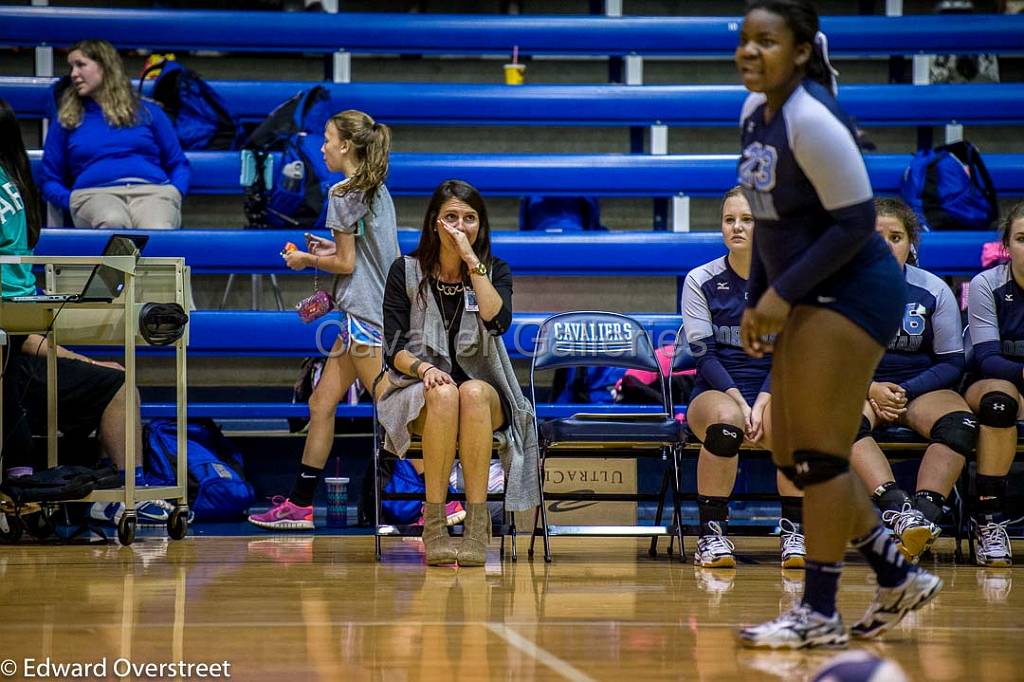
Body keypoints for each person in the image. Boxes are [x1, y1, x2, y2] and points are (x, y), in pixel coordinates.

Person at [733, 0, 942, 649]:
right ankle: (893, 570)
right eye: (744, 40)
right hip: (803, 293)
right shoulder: (753, 115)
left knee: (820, 454)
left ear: (799, 52)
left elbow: (854, 227)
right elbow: (768, 220)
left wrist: (780, 297)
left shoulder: (814, 122)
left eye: (766, 41)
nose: (749, 51)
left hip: (855, 292)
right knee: (793, 453)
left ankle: (819, 610)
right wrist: (759, 296)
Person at [249, 110, 398, 531]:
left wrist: (307, 259)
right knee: (321, 402)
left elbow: (348, 262)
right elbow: (366, 256)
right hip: (373, 312)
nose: (322, 147)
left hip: (364, 318)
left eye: (328, 139)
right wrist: (329, 248)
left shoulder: (341, 192)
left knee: (394, 412)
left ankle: (439, 502)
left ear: (346, 146)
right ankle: (299, 504)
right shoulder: (376, 189)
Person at [377, 179, 539, 567]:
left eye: (469, 219)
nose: (460, 226)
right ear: (435, 221)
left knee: (472, 393)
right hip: (420, 388)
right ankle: (434, 525)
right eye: (451, 217)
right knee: (446, 393)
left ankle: (477, 525)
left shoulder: (493, 270)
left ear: (480, 226)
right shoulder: (405, 270)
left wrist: (471, 261)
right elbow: (393, 349)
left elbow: (496, 321)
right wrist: (425, 368)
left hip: (485, 394)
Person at [683, 186, 805, 569]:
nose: (736, 227)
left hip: (776, 389)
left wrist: (763, 401)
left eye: (747, 220)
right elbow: (703, 354)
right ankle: (712, 536)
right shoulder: (700, 279)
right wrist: (739, 400)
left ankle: (795, 533)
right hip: (717, 390)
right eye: (729, 219)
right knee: (725, 426)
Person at [851, 198, 974, 562]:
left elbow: (953, 361)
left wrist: (906, 391)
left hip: (919, 385)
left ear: (910, 244)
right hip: (861, 387)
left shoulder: (933, 289)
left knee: (960, 425)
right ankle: (898, 510)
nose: (886, 245)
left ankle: (923, 517)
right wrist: (871, 388)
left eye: (896, 237)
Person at [39, 39, 190, 229]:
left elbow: (178, 162)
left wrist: (175, 191)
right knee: (112, 222)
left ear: (105, 66)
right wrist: (70, 200)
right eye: (71, 67)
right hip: (94, 193)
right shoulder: (67, 119)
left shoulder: (148, 111)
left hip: (153, 190)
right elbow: (50, 178)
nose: (73, 74)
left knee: (158, 228)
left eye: (80, 65)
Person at [964, 200, 1024, 567]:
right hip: (990, 380)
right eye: (1022, 238)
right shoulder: (988, 284)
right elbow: (987, 358)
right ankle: (989, 520)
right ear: (1007, 245)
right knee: (1001, 403)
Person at [0, 97, 40, 483]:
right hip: (20, 309)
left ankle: (19, 473)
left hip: (9, 307)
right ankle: (20, 470)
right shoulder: (15, 180)